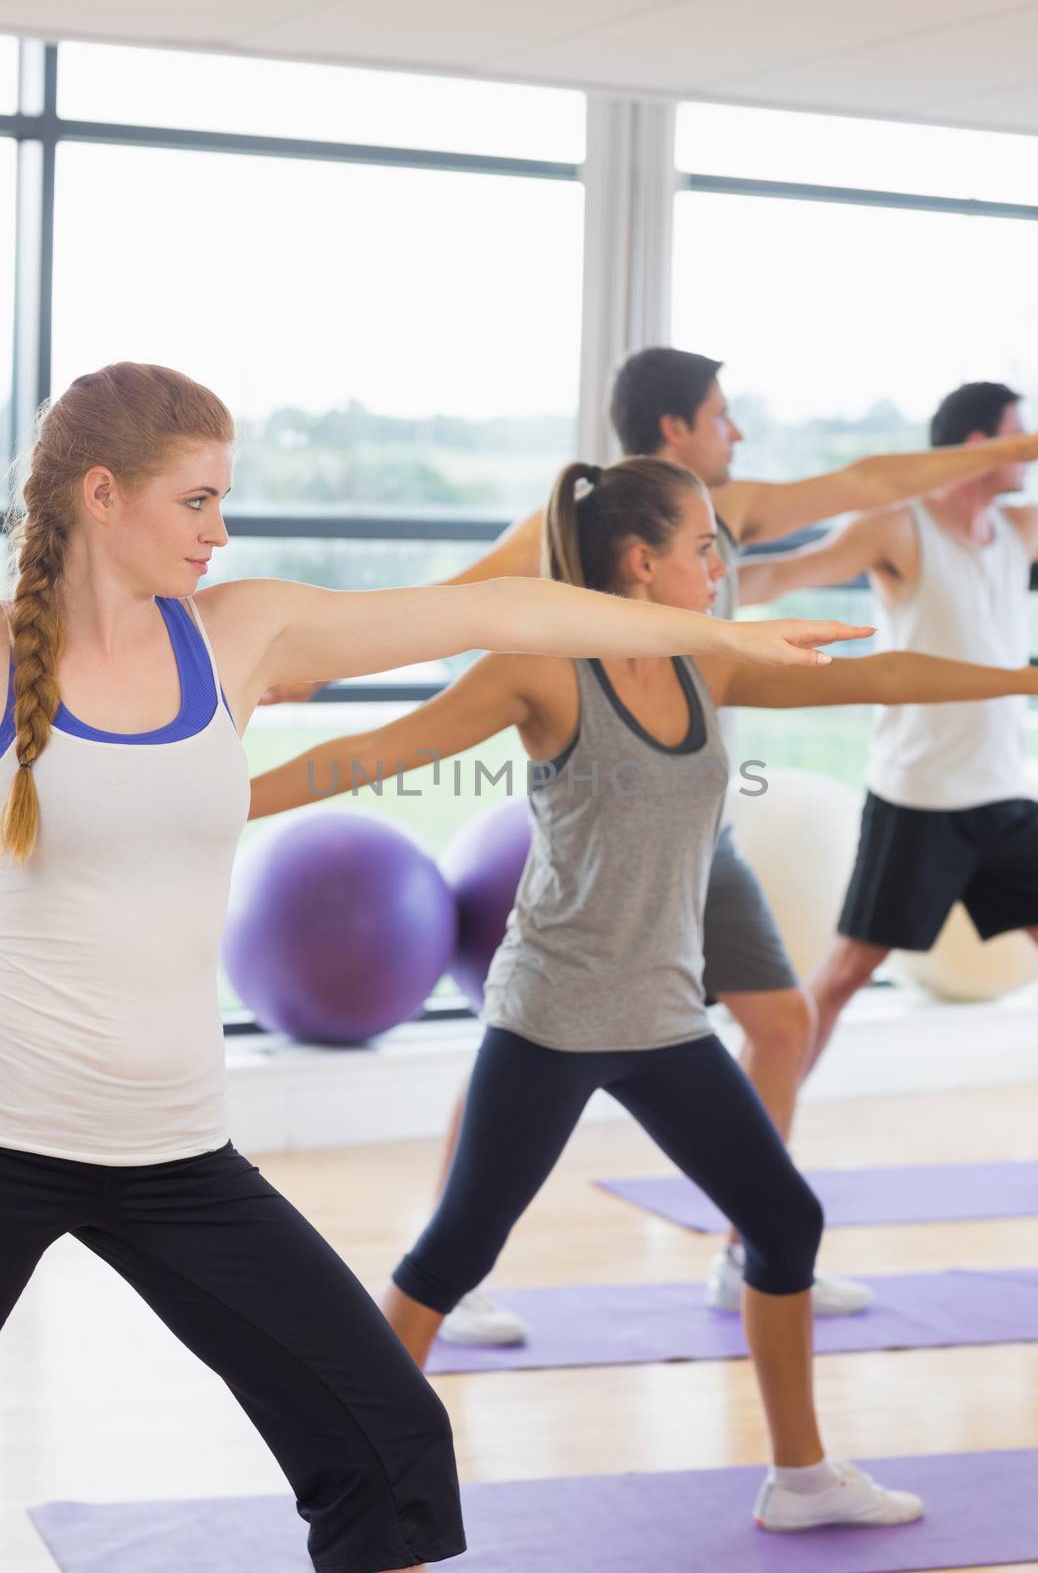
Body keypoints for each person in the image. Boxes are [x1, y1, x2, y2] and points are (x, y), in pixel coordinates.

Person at [0, 365, 854, 1573]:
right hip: (11, 1132)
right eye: (196, 501)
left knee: (390, 1447)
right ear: (102, 494)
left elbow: (512, 609)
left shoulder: (242, 633)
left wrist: (712, 632)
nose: (220, 529)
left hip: (175, 1155)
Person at [251, 455, 1038, 1532]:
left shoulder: (704, 665)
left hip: (667, 1019)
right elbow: (369, 754)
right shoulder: (539, 669)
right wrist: (209, 799)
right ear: (641, 563)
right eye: (703, 546)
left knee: (783, 1218)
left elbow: (877, 677)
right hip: (552, 1018)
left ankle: (799, 1476)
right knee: (452, 1251)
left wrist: (1027, 682)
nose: (723, 566)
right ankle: (361, 1479)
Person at [740, 380, 1038, 1189]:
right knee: (844, 977)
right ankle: (747, 1152)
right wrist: (667, 593)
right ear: (972, 446)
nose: (1029, 453)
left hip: (1002, 796)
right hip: (918, 799)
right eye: (1017, 438)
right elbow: (788, 575)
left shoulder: (1021, 526)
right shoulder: (898, 526)